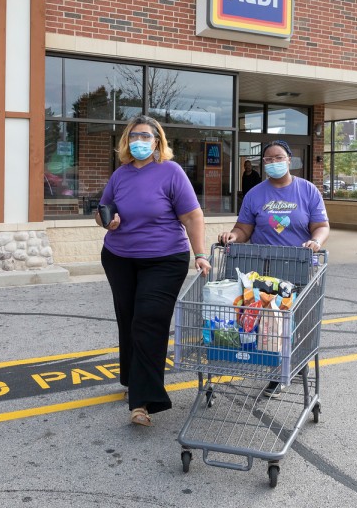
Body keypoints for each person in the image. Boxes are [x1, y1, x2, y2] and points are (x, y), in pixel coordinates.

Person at [97, 115, 211, 427]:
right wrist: (108, 220)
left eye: (146, 136)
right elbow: (102, 211)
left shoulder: (171, 172)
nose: (140, 141)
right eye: (134, 136)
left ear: (157, 141)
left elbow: (192, 216)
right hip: (119, 257)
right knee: (130, 320)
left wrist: (199, 254)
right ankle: (133, 381)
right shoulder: (120, 175)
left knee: (149, 320)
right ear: (126, 141)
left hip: (165, 259)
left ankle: (143, 402)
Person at [217, 140, 330, 397]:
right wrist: (234, 236)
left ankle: (290, 366)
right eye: (268, 160)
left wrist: (316, 241)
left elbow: (321, 226)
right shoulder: (255, 194)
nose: (273, 162)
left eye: (278, 157)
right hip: (263, 273)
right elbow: (244, 229)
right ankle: (274, 371)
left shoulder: (308, 191)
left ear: (289, 160)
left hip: (296, 268)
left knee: (293, 324)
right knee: (268, 327)